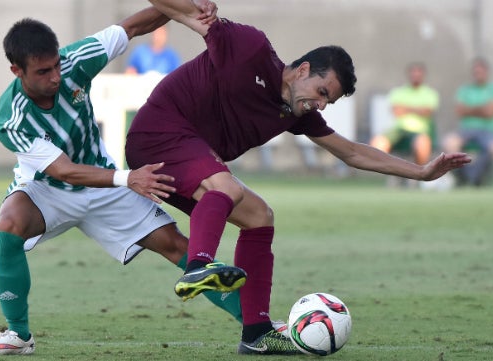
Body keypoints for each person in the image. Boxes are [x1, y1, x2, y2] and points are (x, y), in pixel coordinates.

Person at [125, 0, 471, 355]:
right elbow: (185, 13)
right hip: (157, 136)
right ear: (303, 69)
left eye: (328, 102)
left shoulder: (293, 112)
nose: (321, 105)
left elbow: (351, 152)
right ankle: (198, 266)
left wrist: (422, 172)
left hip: (187, 160)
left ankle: (256, 331)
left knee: (260, 216)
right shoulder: (249, 47)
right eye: (323, 92)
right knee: (225, 185)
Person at [0, 4, 248, 357]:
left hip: (105, 182)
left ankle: (256, 328)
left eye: (56, 66)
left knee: (176, 246)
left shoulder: (76, 60)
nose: (55, 76)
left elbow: (132, 26)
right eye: (42, 71)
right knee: (9, 223)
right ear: (16, 70)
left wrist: (188, 8)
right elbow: (63, 170)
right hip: (50, 189)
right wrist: (129, 178)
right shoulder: (11, 119)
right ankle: (19, 335)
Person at [443, 57, 493, 186]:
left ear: (486, 72)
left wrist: (470, 109)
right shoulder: (465, 90)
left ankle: (474, 177)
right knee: (450, 143)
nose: (478, 75)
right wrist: (482, 108)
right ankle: (465, 176)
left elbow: (490, 112)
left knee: (492, 148)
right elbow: (460, 111)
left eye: (480, 72)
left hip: (488, 131)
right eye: (476, 72)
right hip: (466, 131)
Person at [370, 62, 440, 165]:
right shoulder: (398, 92)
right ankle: (387, 170)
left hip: (420, 131)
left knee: (422, 144)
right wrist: (418, 109)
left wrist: (406, 108)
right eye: (413, 72)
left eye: (418, 73)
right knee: (378, 142)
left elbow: (427, 112)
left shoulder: (431, 93)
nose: (416, 75)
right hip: (399, 130)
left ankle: (419, 174)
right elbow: (396, 111)